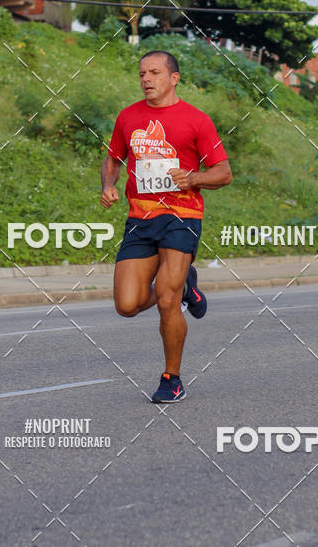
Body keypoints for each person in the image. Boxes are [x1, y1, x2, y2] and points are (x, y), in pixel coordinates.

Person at [100, 49, 232, 403]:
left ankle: (171, 378)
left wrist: (193, 179)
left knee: (165, 299)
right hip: (140, 219)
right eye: (142, 73)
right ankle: (190, 286)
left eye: (154, 73)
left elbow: (224, 173)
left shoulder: (196, 120)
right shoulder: (128, 117)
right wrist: (108, 186)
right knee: (127, 305)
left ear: (173, 78)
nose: (146, 79)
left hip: (182, 217)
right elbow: (113, 158)